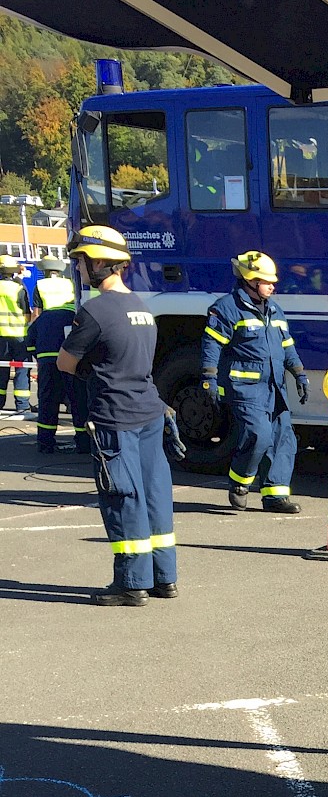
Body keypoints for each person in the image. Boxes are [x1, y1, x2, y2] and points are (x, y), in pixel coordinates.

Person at [58, 225, 178, 607]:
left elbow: (65, 362)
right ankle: (164, 578)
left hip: (115, 416)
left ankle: (131, 582)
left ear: (98, 264)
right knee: (155, 495)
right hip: (149, 411)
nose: (78, 268)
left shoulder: (93, 311)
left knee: (122, 497)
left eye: (80, 261)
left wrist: (89, 370)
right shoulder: (142, 307)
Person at [199, 251, 309, 513]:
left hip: (275, 386)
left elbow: (287, 344)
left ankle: (275, 495)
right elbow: (211, 344)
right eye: (266, 280)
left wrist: (298, 372)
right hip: (246, 388)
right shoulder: (226, 308)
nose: (273, 285)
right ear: (250, 280)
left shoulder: (274, 309)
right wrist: (209, 378)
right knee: (259, 435)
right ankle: (239, 482)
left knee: (283, 439)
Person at [26, 256, 87, 456]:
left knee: (47, 401)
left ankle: (45, 443)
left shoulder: (42, 310)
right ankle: (83, 443)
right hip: (70, 359)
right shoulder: (75, 313)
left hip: (47, 361)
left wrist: (39, 357)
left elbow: (30, 342)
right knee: (77, 401)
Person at [0, 252, 30, 411]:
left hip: (0, 337)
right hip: (19, 335)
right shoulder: (19, 288)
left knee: (1, 370)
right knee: (21, 369)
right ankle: (22, 406)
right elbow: (27, 314)